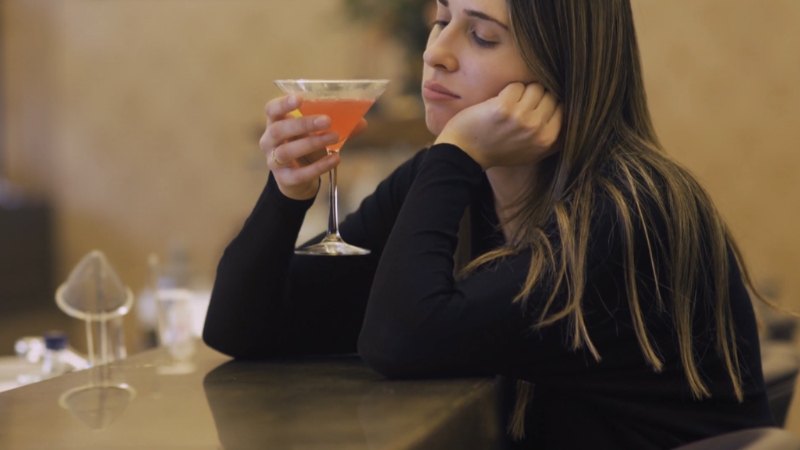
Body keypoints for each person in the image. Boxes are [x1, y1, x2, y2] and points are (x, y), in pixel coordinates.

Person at [203, 0, 776, 448]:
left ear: (562, 66)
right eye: (440, 20)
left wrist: (455, 153)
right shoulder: (449, 179)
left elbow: (400, 342)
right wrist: (288, 194)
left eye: (481, 36)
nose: (436, 53)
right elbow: (242, 329)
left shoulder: (629, 210)